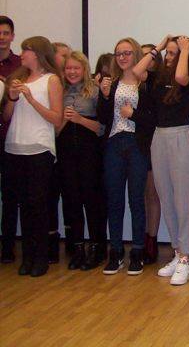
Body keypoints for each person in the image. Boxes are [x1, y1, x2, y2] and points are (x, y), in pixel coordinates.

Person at [135, 35, 189, 286]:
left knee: (183, 201)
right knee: (166, 198)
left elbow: (180, 77)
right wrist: (158, 47)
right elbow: (137, 71)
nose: (169, 56)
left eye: (173, 52)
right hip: (159, 138)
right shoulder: (158, 78)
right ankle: (177, 253)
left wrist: (185, 50)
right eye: (168, 52)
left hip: (181, 137)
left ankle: (186, 257)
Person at [3, 36, 63, 277]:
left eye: (25, 50)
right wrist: (12, 97)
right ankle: (27, 256)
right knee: (24, 205)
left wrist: (30, 98)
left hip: (39, 148)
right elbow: (7, 116)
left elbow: (56, 118)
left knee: (38, 204)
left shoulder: (51, 80)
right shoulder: (17, 78)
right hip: (15, 146)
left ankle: (41, 257)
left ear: (37, 53)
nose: (22, 55)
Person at [97, 38, 154, 276]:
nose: (122, 57)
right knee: (114, 200)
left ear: (137, 54)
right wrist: (105, 96)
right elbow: (102, 118)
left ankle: (137, 251)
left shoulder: (145, 84)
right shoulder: (112, 83)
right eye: (118, 53)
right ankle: (116, 251)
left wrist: (133, 114)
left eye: (127, 53)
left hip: (136, 144)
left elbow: (152, 120)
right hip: (114, 143)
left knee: (136, 200)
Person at [57, 51, 107, 270]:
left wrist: (79, 119)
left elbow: (102, 128)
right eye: (68, 68)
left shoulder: (94, 91)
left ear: (84, 69)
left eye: (76, 68)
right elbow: (54, 128)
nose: (72, 72)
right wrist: (64, 121)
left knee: (92, 200)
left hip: (89, 152)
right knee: (72, 200)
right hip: (66, 152)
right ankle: (77, 248)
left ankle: (97, 248)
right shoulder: (60, 91)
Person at [0, 15, 22, 263]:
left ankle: (7, 247)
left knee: (10, 195)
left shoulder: (20, 65)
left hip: (10, 138)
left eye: (6, 33)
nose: (2, 37)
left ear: (12, 36)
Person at [48, 41, 72, 261]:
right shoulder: (48, 82)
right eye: (63, 55)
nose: (67, 59)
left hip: (68, 148)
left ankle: (73, 242)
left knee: (69, 195)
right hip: (48, 145)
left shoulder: (72, 84)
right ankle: (51, 242)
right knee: (49, 196)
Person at [139, 43, 163, 264]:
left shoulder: (158, 82)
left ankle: (151, 240)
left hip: (154, 141)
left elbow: (155, 116)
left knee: (152, 193)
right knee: (141, 196)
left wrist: (134, 115)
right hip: (134, 142)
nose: (148, 60)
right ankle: (141, 238)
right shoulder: (131, 81)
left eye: (152, 56)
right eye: (143, 56)